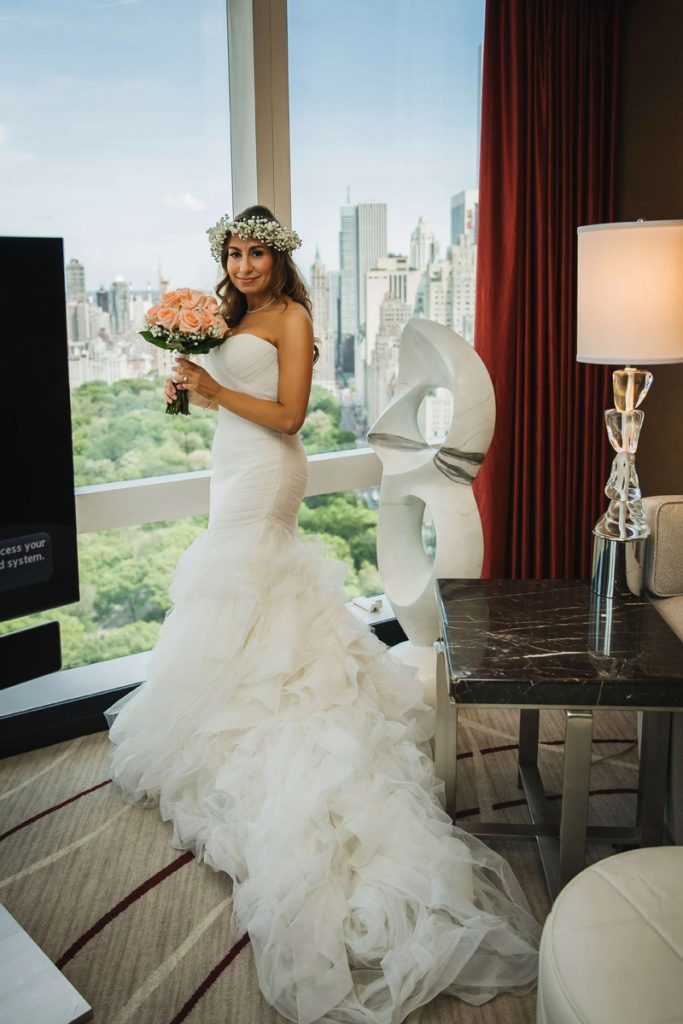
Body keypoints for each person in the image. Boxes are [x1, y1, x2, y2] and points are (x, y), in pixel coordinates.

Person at [106, 206, 540, 1024]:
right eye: (232, 254)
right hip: (230, 464)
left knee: (252, 578)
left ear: (278, 260)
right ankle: (233, 706)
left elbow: (290, 415)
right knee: (236, 594)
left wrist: (212, 386)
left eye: (255, 254)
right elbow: (235, 406)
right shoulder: (232, 318)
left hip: (269, 469)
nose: (242, 266)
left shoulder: (295, 317)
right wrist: (191, 392)